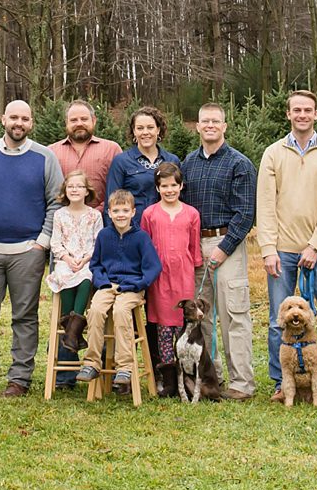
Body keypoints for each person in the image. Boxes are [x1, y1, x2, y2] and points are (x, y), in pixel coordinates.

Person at [257, 91, 317, 399]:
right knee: (276, 319)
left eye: (308, 110)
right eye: (297, 110)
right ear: (288, 114)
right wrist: (268, 248)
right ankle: (281, 383)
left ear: (316, 114)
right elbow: (266, 204)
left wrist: (315, 244)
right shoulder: (273, 153)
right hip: (281, 249)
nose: (302, 115)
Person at [0, 101, 62, 395]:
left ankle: (20, 377)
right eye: (13, 117)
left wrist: (41, 243)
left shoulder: (44, 157)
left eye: (25, 118)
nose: (18, 123)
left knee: (25, 315)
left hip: (28, 250)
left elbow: (56, 201)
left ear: (31, 123)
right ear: (3, 119)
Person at [178, 101, 257, 398]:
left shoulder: (239, 164)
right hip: (197, 245)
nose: (210, 125)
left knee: (234, 313)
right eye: (204, 121)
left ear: (224, 126)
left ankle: (241, 383)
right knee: (202, 315)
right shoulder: (189, 163)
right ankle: (212, 380)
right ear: (197, 127)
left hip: (227, 244)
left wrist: (223, 249)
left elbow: (246, 214)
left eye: (216, 121)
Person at [76, 190, 161, 392]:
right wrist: (102, 282)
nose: (121, 214)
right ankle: (92, 363)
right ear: (109, 213)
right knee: (95, 310)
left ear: (133, 212)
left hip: (131, 287)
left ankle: (124, 367)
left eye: (125, 210)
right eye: (116, 210)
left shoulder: (141, 238)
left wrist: (137, 284)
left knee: (121, 311)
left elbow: (153, 267)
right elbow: (95, 265)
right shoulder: (104, 236)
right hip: (108, 285)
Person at [139, 159, 202, 397]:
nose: (169, 190)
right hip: (159, 278)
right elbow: (145, 246)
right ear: (157, 188)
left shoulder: (191, 214)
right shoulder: (150, 214)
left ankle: (186, 377)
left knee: (182, 325)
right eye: (164, 186)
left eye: (173, 185)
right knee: (163, 327)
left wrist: (194, 267)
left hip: (184, 275)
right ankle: (166, 379)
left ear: (181, 186)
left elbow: (194, 248)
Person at [46, 167, 102, 382]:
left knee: (87, 277)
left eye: (79, 186)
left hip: (87, 261)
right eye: (71, 186)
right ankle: (74, 331)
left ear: (87, 190)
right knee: (64, 276)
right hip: (65, 260)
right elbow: (55, 242)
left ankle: (71, 330)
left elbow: (98, 242)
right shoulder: (60, 214)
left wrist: (84, 259)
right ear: (65, 190)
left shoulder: (94, 215)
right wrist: (68, 259)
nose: (75, 190)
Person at [46, 100, 120, 230]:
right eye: (74, 120)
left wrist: (96, 213)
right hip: (63, 227)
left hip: (105, 224)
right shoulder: (51, 152)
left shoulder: (111, 149)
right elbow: (47, 192)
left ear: (94, 120)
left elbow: (119, 189)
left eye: (84, 119)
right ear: (66, 123)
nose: (79, 123)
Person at [105, 107, 174, 217]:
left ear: (158, 130)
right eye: (140, 128)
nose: (145, 132)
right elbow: (110, 202)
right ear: (134, 131)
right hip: (132, 229)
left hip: (165, 227)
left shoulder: (172, 161)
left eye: (150, 127)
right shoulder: (121, 162)